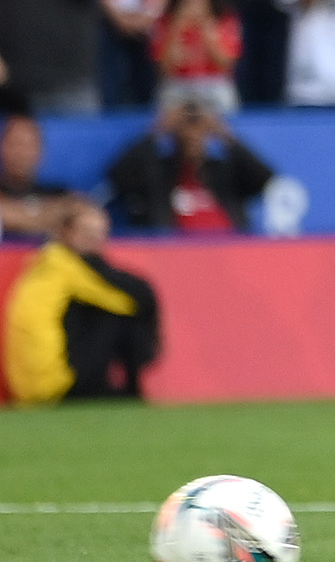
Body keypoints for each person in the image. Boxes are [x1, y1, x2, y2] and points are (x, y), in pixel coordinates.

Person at [4, 202, 159, 404]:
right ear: (65, 232)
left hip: (29, 384)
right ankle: (128, 389)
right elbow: (138, 299)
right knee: (116, 313)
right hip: (54, 384)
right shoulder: (68, 267)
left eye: (100, 232)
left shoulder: (47, 261)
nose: (94, 238)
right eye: (86, 231)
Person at [106, 100, 275, 234]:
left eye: (197, 126)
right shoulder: (159, 172)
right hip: (174, 253)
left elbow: (264, 179)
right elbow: (118, 177)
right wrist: (156, 132)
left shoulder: (224, 172)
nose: (192, 134)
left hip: (231, 249)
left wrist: (225, 135)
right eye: (186, 126)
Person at [149, 0, 242, 114]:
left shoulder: (225, 18)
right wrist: (176, 28)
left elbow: (226, 64)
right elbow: (164, 68)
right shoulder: (165, 20)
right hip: (178, 85)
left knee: (226, 104)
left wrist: (206, 26)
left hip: (214, 85)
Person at [0, 115, 86, 242]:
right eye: (16, 144)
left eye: (28, 145)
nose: (21, 153)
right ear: (2, 147)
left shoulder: (58, 192)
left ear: (40, 150)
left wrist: (17, 216)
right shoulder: (60, 202)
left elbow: (86, 213)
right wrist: (54, 217)